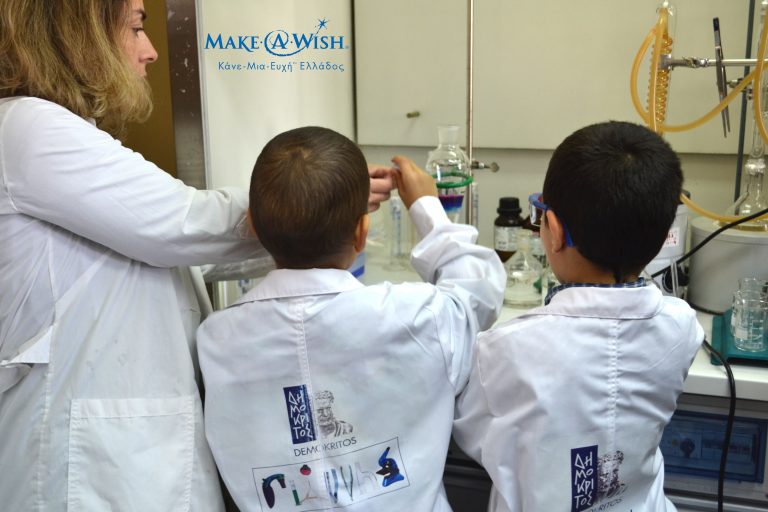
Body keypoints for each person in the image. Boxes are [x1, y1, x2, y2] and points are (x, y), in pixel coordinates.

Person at [0, 1, 392, 510]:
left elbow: (172, 257)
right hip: (84, 466)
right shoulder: (29, 129)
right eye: (136, 28)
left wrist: (316, 217)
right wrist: (314, 196)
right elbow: (180, 225)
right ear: (80, 34)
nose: (151, 51)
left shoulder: (62, 136)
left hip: (134, 453)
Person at [197, 126, 506, 511]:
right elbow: (479, 289)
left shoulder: (216, 340)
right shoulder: (417, 318)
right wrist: (427, 207)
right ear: (362, 232)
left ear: (253, 228)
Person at [453, 121, 704, 512]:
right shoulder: (681, 326)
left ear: (553, 231)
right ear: (661, 239)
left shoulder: (505, 349)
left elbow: (471, 434)